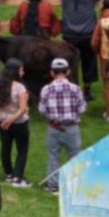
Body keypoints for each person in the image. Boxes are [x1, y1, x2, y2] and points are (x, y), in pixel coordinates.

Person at [38, 58, 85, 195]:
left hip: (53, 127)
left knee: (53, 156)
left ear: (52, 73)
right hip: (72, 128)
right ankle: (73, 185)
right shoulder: (75, 89)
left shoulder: (46, 89)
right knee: (74, 156)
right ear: (68, 72)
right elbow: (81, 109)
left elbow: (41, 110)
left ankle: (53, 185)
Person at [60, 0, 104, 101]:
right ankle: (86, 91)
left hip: (69, 35)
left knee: (70, 62)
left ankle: (71, 89)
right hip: (87, 35)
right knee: (89, 63)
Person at [0, 59, 30, 188]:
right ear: (16, 72)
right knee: (22, 150)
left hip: (1, 121)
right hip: (18, 122)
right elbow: (23, 108)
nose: (23, 72)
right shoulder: (20, 88)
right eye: (21, 69)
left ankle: (8, 173)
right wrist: (11, 119)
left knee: (5, 146)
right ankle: (17, 177)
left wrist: (6, 119)